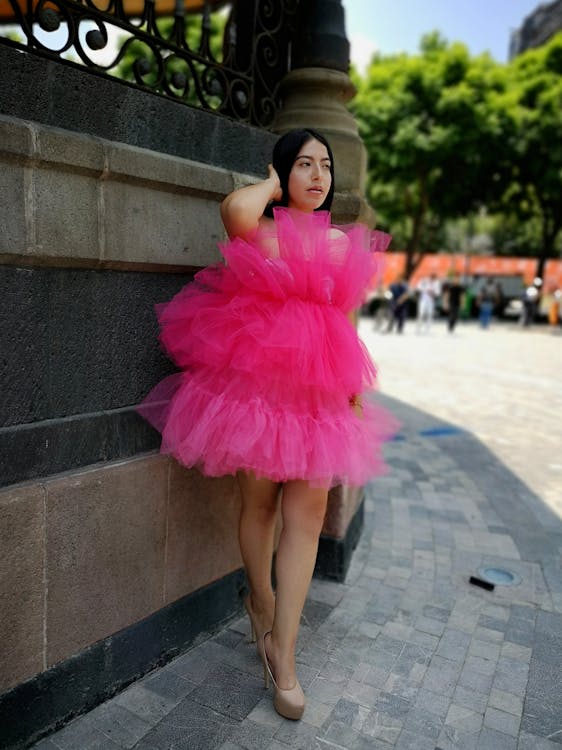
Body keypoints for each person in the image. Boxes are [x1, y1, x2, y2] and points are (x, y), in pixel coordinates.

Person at [137, 129, 397, 721]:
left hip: (320, 397)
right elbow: (234, 210)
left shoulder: (337, 241)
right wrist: (272, 183)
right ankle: (260, 599)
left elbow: (343, 319)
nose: (318, 175)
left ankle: (285, 652)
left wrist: (351, 391)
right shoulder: (264, 230)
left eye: (325, 166)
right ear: (283, 173)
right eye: (304, 164)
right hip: (257, 394)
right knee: (258, 505)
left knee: (306, 514)